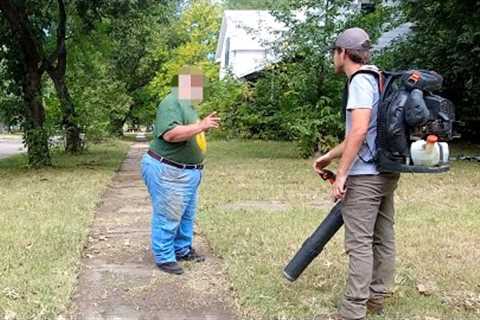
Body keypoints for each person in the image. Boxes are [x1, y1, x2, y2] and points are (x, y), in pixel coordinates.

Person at [313, 28, 400, 320]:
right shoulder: (378, 78)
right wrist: (329, 156)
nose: (332, 59)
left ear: (342, 53)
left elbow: (360, 131)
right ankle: (377, 297)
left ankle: (352, 310)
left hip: (366, 176)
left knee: (360, 243)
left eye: (333, 53)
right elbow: (361, 132)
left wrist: (341, 175)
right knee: (383, 236)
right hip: (386, 172)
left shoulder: (360, 82)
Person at [141, 66, 220, 275]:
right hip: (169, 170)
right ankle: (164, 257)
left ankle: (181, 249)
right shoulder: (172, 101)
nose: (200, 88)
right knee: (169, 214)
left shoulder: (187, 105)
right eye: (197, 83)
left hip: (186, 172)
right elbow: (170, 134)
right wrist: (201, 126)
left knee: (185, 215)